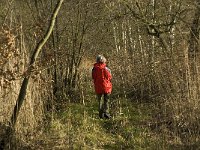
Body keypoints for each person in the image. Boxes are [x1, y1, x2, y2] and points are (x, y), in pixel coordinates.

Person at [92, 55, 112, 119]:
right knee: (106, 101)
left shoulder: (94, 69)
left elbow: (93, 77)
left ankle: (100, 115)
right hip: (107, 87)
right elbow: (109, 77)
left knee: (99, 101)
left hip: (98, 87)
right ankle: (106, 114)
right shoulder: (106, 68)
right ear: (103, 60)